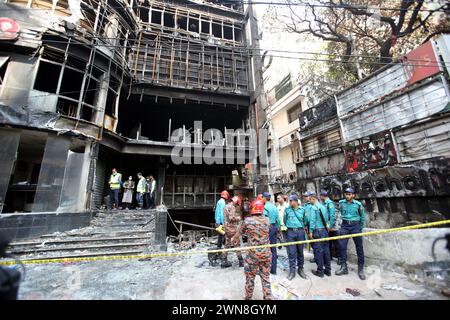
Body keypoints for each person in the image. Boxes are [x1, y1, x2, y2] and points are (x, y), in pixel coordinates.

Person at [236, 200, 273, 300]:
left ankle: (248, 298)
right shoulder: (267, 220)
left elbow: (238, 234)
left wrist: (231, 239)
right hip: (266, 255)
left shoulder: (247, 221)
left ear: (252, 208)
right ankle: (268, 298)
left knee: (250, 278)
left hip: (252, 256)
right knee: (266, 278)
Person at [336, 188, 366, 280]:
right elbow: (339, 213)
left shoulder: (358, 204)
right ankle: (344, 267)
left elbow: (362, 217)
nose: (347, 196)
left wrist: (359, 227)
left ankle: (360, 269)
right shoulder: (341, 203)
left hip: (355, 226)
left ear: (353, 195)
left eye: (349, 194)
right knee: (342, 246)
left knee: (359, 248)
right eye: (346, 194)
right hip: (345, 226)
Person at [284, 195, 307, 280]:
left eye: (291, 201)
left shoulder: (302, 210)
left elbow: (305, 221)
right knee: (291, 252)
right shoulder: (287, 210)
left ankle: (300, 269)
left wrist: (299, 227)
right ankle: (292, 271)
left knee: (300, 251)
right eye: (289, 201)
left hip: (300, 232)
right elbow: (285, 220)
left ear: (296, 201)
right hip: (290, 232)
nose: (289, 202)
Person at [308, 193, 332, 278]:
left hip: (317, 231)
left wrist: (310, 231)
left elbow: (312, 221)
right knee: (326, 251)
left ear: (313, 199)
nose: (309, 201)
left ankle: (320, 271)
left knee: (318, 251)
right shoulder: (323, 207)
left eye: (310, 199)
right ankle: (328, 270)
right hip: (324, 231)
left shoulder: (314, 208)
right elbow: (327, 219)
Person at [222, 196, 244, 268]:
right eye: (237, 204)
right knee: (237, 244)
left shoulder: (226, 206)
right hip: (232, 229)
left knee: (227, 244)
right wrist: (238, 218)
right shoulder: (232, 207)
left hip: (227, 228)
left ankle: (224, 261)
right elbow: (231, 218)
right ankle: (241, 261)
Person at [262, 192, 280, 275]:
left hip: (267, 228)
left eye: (262, 197)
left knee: (265, 249)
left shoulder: (265, 207)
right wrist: (277, 228)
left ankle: (266, 269)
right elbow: (278, 220)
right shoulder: (274, 207)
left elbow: (264, 220)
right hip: (274, 227)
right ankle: (274, 269)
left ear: (265, 198)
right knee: (273, 248)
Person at [320, 190, 341, 265]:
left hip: (333, 227)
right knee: (328, 242)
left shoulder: (330, 203)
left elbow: (332, 216)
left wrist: (330, 226)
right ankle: (329, 257)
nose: (320, 197)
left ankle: (340, 258)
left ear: (323, 196)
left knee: (337, 243)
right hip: (328, 226)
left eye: (320, 196)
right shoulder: (324, 203)